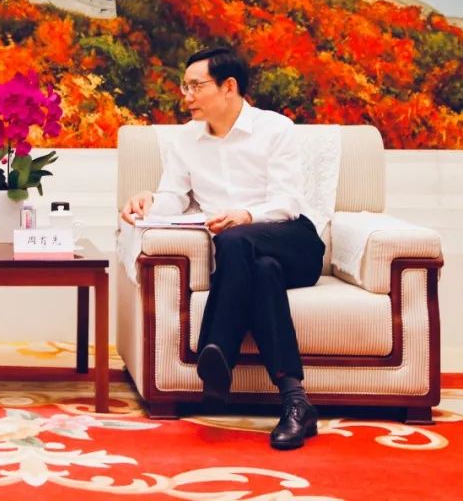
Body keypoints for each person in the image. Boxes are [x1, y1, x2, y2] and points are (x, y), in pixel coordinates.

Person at [121, 47, 326, 450]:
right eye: (185, 87)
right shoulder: (186, 139)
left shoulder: (275, 129)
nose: (187, 96)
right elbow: (173, 197)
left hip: (293, 241)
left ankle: (218, 349)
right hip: (245, 258)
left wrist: (246, 215)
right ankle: (296, 402)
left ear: (229, 86)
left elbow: (287, 203)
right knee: (262, 271)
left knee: (235, 239)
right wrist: (147, 200)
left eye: (196, 86)